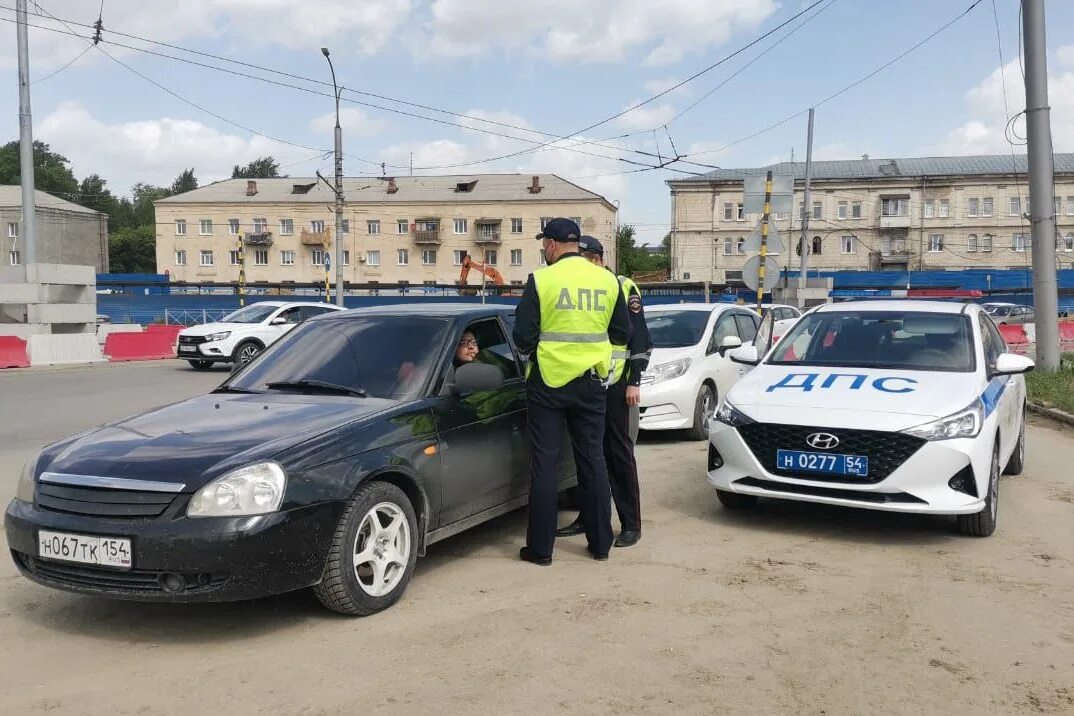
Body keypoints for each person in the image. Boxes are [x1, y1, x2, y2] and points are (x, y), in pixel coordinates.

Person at [513, 218, 631, 565]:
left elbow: (522, 337)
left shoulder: (542, 279)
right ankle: (600, 545)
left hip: (548, 381)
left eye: (543, 245)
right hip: (592, 382)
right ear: (577, 244)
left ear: (550, 245)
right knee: (593, 460)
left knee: (545, 465)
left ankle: (541, 550)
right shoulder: (607, 280)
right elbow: (622, 333)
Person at [556, 236, 652, 548]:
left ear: (596, 259)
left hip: (616, 386)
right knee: (587, 453)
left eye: (581, 258)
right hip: (586, 383)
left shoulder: (622, 286)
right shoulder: (582, 286)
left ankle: (630, 523)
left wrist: (635, 380)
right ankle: (590, 517)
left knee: (617, 453)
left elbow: (640, 339)